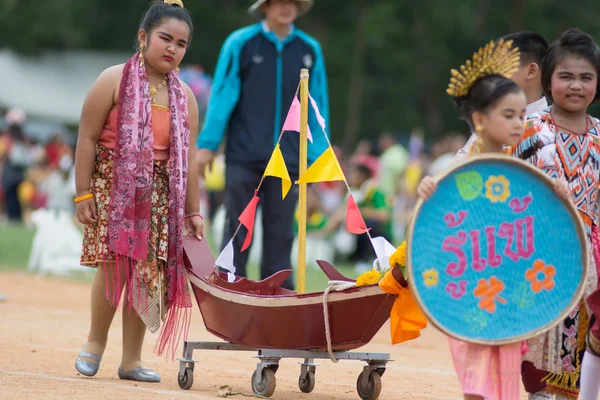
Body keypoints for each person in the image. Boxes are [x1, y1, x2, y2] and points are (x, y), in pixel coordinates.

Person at [417, 39, 569, 400]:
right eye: (510, 116)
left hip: (509, 277)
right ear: (481, 120)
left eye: (521, 115)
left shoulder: (524, 160)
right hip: (472, 280)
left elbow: (539, 199)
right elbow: (446, 198)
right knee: (474, 360)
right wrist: (429, 187)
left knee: (505, 356)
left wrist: (557, 190)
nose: (519, 124)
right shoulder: (469, 162)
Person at [73, 0, 203, 383]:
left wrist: (193, 211)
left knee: (149, 277)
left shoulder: (186, 97)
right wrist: (83, 193)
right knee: (114, 267)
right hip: (115, 186)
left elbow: (189, 160)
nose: (172, 49)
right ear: (144, 37)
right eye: (166, 38)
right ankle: (94, 344)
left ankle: (131, 359)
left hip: (163, 195)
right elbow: (86, 138)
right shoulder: (112, 79)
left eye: (181, 44)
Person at [197, 0, 329, 289]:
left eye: (292, 2)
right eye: (279, 1)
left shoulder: (309, 50)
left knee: (281, 233)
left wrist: (317, 158)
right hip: (244, 155)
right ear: (266, 6)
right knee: (237, 227)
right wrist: (207, 143)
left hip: (291, 159)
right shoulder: (241, 43)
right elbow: (222, 94)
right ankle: (230, 289)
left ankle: (279, 299)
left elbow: (317, 106)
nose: (286, 7)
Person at [512, 28, 600, 400]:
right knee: (539, 335)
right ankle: (538, 394)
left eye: (585, 77)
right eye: (565, 76)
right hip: (539, 255)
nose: (575, 86)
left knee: (589, 337)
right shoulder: (528, 131)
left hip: (593, 260)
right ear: (548, 80)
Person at [457, 32, 549, 159]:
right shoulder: (489, 120)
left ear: (531, 71)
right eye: (509, 115)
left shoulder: (552, 131)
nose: (493, 77)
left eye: (502, 68)